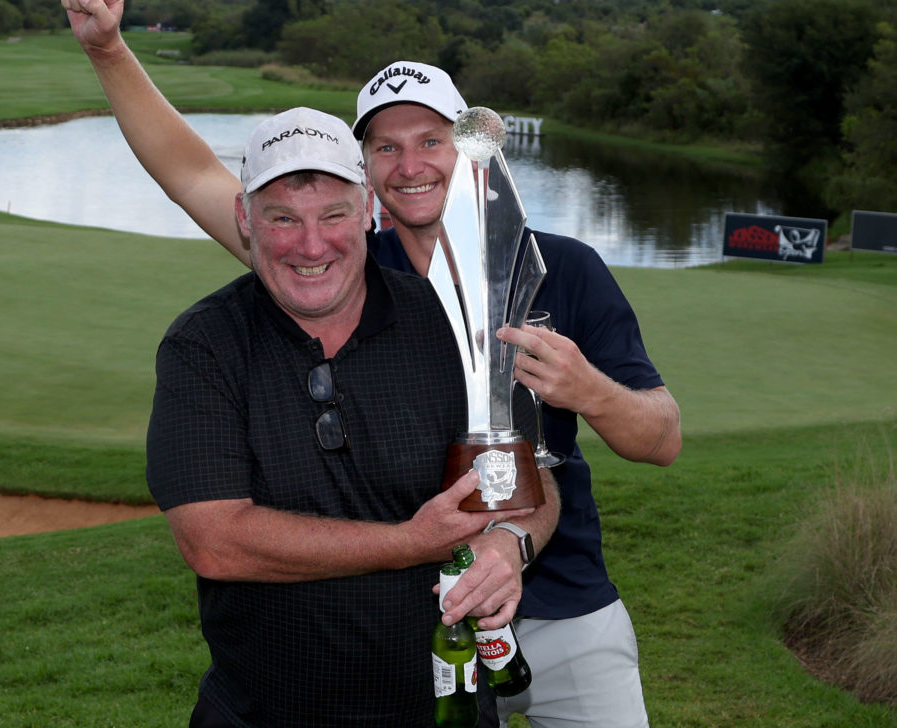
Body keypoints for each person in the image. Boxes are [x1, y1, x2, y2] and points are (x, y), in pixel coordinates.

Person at [64, 3, 681, 726]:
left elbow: (658, 440)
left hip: (561, 594)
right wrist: (107, 47)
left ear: (470, 147)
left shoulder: (558, 269)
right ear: (364, 178)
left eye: (430, 139)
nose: (411, 165)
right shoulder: (345, 265)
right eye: (386, 148)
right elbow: (191, 173)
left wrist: (588, 392)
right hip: (422, 620)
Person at [147, 106, 545, 727]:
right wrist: (408, 544)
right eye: (283, 218)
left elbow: (536, 486)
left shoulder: (454, 325)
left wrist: (508, 543)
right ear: (243, 220)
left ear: (368, 212)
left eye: (334, 214)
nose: (311, 245)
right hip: (260, 714)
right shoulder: (204, 345)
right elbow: (213, 539)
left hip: (440, 711)